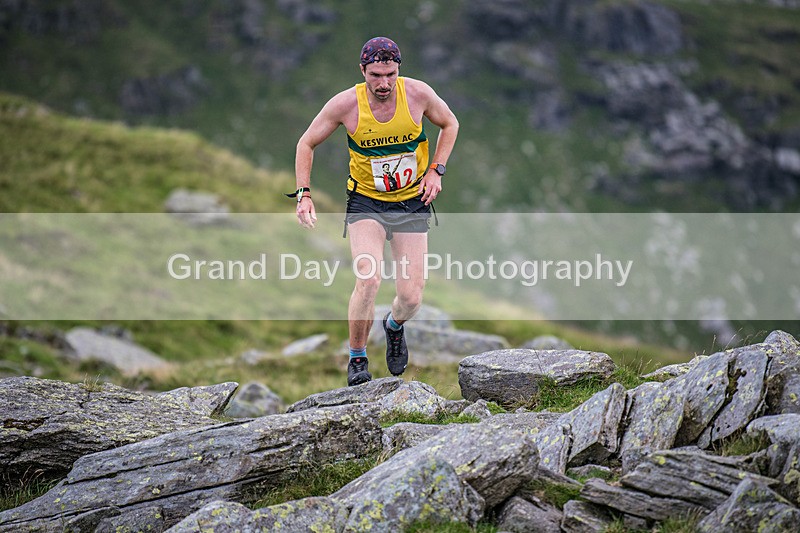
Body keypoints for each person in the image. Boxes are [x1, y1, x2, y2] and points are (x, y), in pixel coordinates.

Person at [292, 36, 459, 386]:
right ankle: (357, 358)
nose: (383, 84)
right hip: (366, 201)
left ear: (399, 69)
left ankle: (394, 326)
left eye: (390, 74)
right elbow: (306, 142)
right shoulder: (345, 105)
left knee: (412, 297)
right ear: (362, 71)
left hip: (412, 200)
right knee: (368, 279)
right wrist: (304, 194)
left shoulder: (417, 94)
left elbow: (450, 123)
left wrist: (436, 170)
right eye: (375, 76)